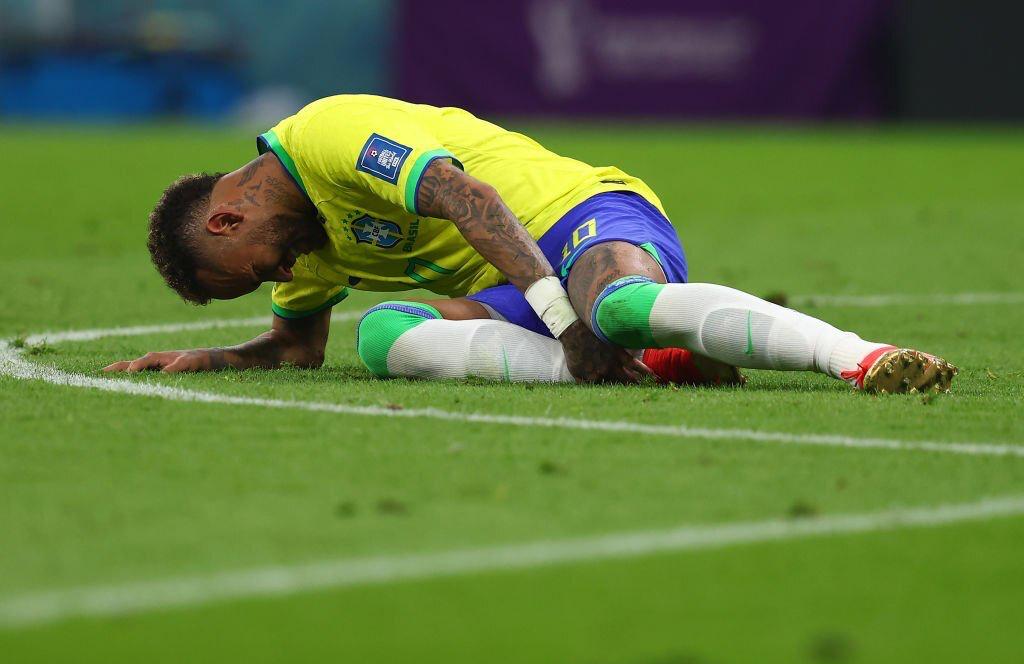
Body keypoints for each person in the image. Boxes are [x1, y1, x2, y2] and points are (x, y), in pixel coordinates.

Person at [104, 95, 956, 394]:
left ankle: (858, 357)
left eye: (257, 272)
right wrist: (209, 357)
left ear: (227, 220)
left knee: (612, 306)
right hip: (526, 291)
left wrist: (570, 321)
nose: (283, 277)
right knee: (383, 335)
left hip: (579, 217)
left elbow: (469, 199)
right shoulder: (302, 246)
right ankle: (644, 362)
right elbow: (297, 348)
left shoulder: (327, 135)